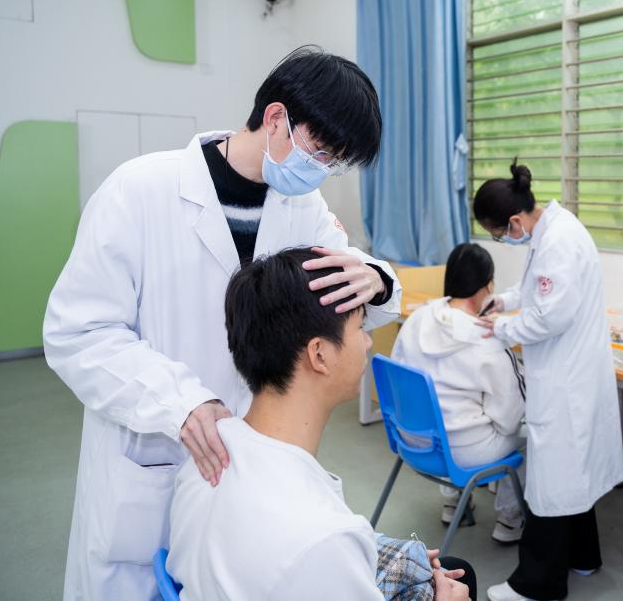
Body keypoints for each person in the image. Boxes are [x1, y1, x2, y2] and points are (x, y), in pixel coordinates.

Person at [43, 47, 403, 600]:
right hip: (153, 456)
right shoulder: (139, 190)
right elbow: (78, 333)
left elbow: (345, 283)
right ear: (277, 118)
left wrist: (375, 278)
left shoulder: (302, 208)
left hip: (245, 470)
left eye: (336, 162)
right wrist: (179, 401)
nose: (323, 170)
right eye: (322, 151)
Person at [169, 248, 473, 601]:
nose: (368, 341)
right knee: (459, 579)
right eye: (360, 327)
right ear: (319, 355)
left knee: (449, 565)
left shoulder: (207, 451)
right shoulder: (324, 537)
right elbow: (320, 548)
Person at [472, 161, 623, 601]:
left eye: (499, 234)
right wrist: (505, 300)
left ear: (515, 222)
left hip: (566, 379)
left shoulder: (557, 241)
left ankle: (539, 584)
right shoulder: (553, 228)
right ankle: (583, 556)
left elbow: (549, 317)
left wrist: (501, 328)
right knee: (573, 473)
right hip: (573, 372)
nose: (503, 240)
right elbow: (538, 289)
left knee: (553, 482)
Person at [392, 242, 527, 543]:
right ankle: (509, 519)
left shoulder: (417, 319)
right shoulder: (489, 339)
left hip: (412, 440)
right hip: (462, 452)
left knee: (444, 413)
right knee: (532, 435)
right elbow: (509, 419)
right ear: (488, 287)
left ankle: (454, 502)